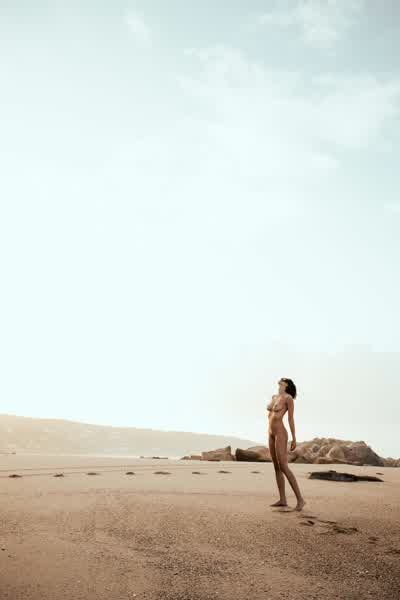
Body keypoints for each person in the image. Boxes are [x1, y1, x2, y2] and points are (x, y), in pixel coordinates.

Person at [267, 377, 305, 511]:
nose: (279, 384)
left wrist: (294, 438)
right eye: (279, 383)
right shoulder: (274, 397)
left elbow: (290, 419)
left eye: (282, 383)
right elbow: (270, 414)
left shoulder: (288, 398)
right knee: (276, 467)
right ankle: (282, 499)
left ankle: (300, 500)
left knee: (283, 466)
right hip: (270, 433)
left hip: (280, 433)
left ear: (286, 385)